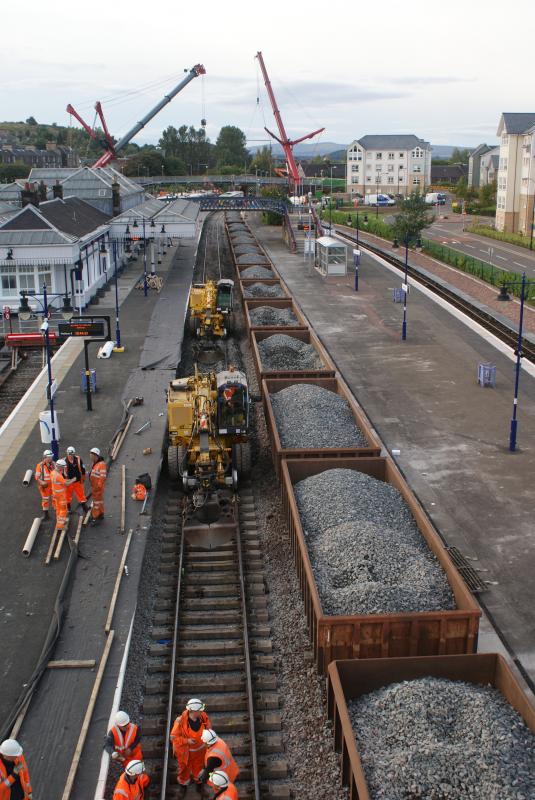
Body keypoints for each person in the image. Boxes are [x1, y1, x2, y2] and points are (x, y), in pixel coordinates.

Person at [170, 698, 212, 798]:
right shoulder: (180, 721)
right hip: (185, 754)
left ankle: (199, 787)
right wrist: (186, 741)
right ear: (193, 711)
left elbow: (209, 727)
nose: (202, 711)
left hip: (200, 753)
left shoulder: (203, 717)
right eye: (200, 710)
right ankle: (183, 787)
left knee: (200, 771)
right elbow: (173, 738)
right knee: (184, 771)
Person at [51, 459, 76, 532]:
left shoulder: (53, 473)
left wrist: (68, 480)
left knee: (58, 510)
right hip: (60, 496)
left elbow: (62, 481)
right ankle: (60, 526)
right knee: (63, 510)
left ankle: (59, 522)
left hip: (55, 495)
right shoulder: (58, 476)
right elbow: (66, 484)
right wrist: (73, 480)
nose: (64, 469)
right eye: (63, 467)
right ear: (60, 467)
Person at [65, 446, 89, 513]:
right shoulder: (64, 461)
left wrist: (83, 477)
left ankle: (85, 508)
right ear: (67, 453)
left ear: (74, 453)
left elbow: (82, 468)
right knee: (67, 496)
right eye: (69, 454)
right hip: (69, 482)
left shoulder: (78, 459)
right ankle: (68, 508)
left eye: (72, 454)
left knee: (81, 495)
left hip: (77, 481)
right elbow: (63, 473)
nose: (70, 456)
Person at [89, 447, 107, 525]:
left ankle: (95, 517)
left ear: (95, 455)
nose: (90, 456)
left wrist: (98, 487)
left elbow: (102, 476)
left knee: (96, 503)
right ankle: (101, 513)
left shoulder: (101, 464)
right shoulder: (95, 463)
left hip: (97, 488)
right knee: (99, 501)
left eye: (91, 455)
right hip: (95, 486)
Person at [34, 449, 54, 519]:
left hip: (53, 486)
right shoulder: (39, 466)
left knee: (55, 498)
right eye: (49, 457)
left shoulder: (53, 464)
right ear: (45, 457)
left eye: (51, 457)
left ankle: (58, 512)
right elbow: (37, 477)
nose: (50, 458)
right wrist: (41, 482)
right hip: (45, 487)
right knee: (45, 500)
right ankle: (46, 515)